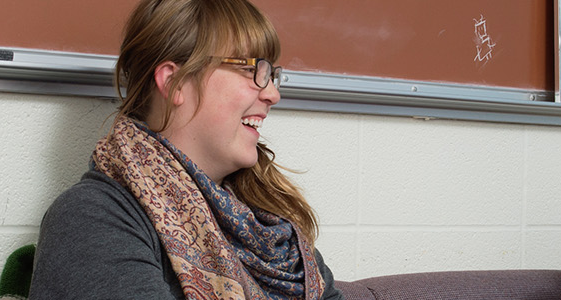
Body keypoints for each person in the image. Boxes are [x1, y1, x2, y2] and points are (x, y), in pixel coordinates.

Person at [29, 0, 343, 298]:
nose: (272, 93)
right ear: (176, 82)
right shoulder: (94, 218)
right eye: (252, 70)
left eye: (272, 75)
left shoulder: (269, 225)